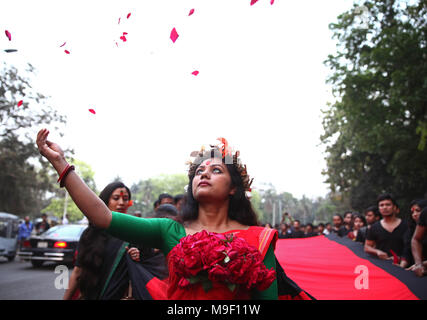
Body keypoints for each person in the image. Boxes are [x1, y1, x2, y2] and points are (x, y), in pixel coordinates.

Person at [37, 129, 311, 300]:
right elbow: (103, 217)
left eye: (217, 170)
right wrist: (62, 164)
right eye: (199, 171)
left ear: (233, 189)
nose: (204, 172)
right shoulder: (168, 230)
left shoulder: (260, 239)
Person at [63, 182, 150, 300]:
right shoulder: (90, 233)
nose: (121, 203)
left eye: (125, 199)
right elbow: (77, 272)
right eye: (116, 198)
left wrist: (136, 258)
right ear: (104, 201)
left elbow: (146, 271)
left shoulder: (134, 234)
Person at [364, 193, 408, 260]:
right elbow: (367, 247)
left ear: (394, 207)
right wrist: (377, 252)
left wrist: (401, 259)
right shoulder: (374, 227)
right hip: (382, 266)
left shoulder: (406, 225)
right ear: (379, 209)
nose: (384, 207)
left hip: (404, 266)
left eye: (388, 204)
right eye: (381, 205)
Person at [401, 200, 427, 270]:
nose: (414, 214)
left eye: (418, 211)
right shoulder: (409, 231)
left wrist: (422, 264)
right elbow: (407, 252)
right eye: (412, 212)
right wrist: (401, 267)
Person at [411, 206, 427, 277]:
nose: (415, 214)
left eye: (418, 211)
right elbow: (416, 239)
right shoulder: (425, 213)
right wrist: (419, 264)